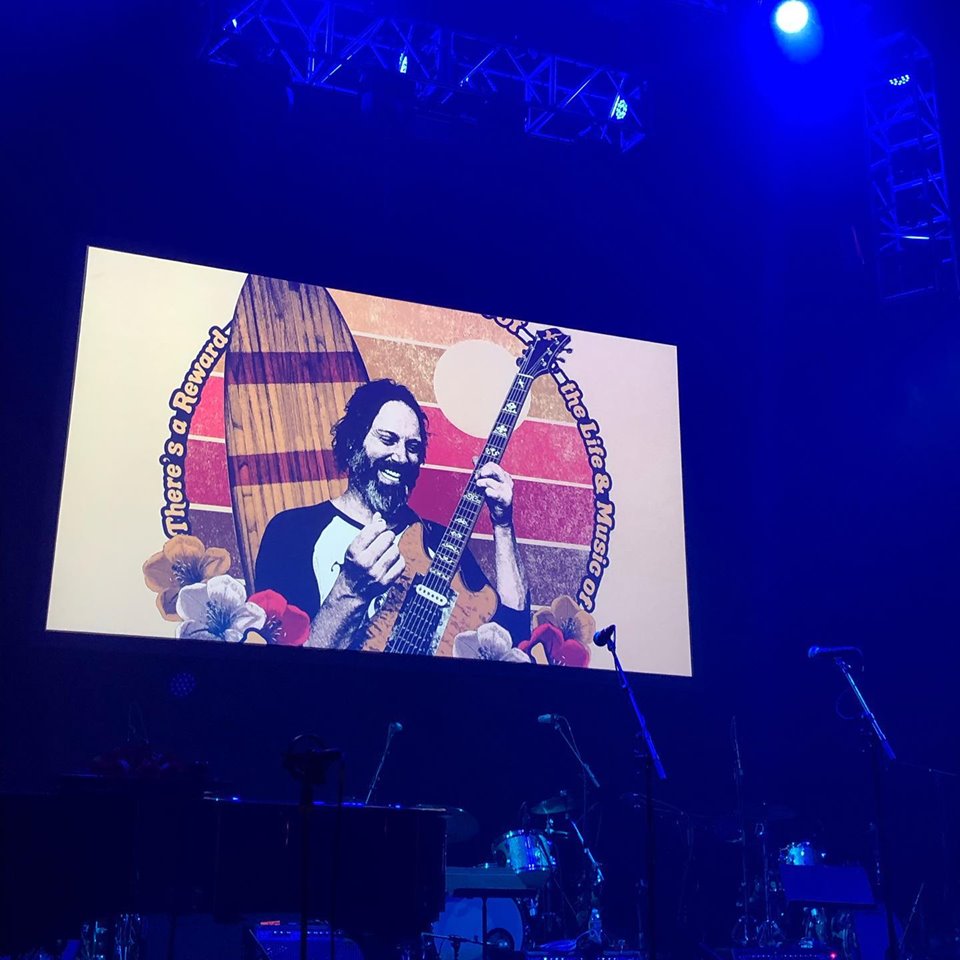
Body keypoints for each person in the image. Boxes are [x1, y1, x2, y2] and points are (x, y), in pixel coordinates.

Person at [255, 379, 529, 650]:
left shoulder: (440, 541)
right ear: (353, 443)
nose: (401, 457)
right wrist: (349, 589)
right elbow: (280, 669)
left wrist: (503, 524)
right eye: (388, 440)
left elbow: (512, 633)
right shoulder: (292, 531)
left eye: (412, 447)